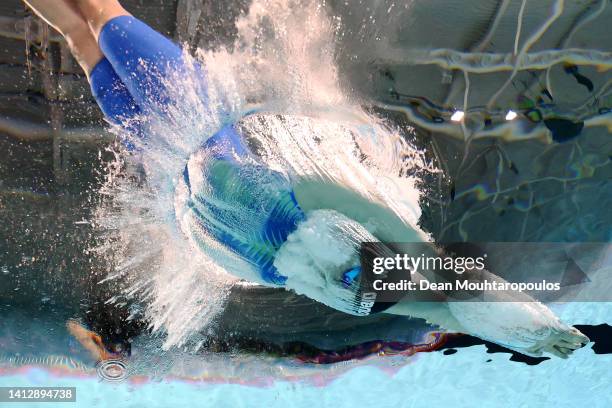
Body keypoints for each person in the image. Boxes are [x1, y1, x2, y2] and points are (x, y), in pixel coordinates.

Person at [23, 0, 589, 359]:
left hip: (194, 128)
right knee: (82, 36)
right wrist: (534, 332)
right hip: (173, 171)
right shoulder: (345, 293)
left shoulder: (333, 215)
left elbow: (444, 278)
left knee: (100, 12)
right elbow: (448, 303)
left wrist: (529, 318)